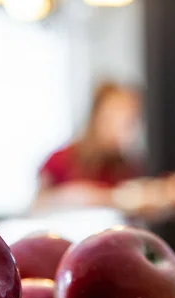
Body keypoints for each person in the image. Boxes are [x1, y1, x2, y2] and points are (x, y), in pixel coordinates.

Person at [33, 82, 144, 212]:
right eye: (113, 117)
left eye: (129, 120)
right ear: (96, 117)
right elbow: (37, 207)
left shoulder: (129, 167)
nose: (119, 127)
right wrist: (72, 197)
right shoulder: (58, 161)